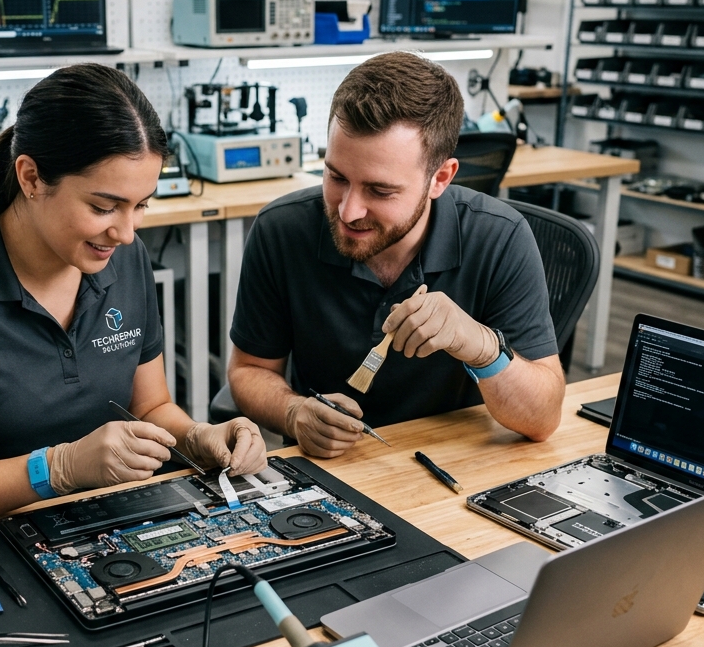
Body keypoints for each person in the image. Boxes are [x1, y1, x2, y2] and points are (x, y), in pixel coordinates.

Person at [0, 64, 265, 527]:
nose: (125, 232)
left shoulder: (126, 257)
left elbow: (150, 407)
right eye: (103, 207)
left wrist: (196, 437)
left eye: (141, 205)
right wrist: (57, 469)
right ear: (31, 178)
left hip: (109, 521)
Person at [227, 51, 565, 459]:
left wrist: (481, 346)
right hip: (329, 467)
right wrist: (293, 411)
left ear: (440, 178)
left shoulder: (500, 238)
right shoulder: (281, 230)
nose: (348, 211)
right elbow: (249, 370)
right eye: (336, 177)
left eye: (380, 190)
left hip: (456, 464)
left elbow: (542, 418)